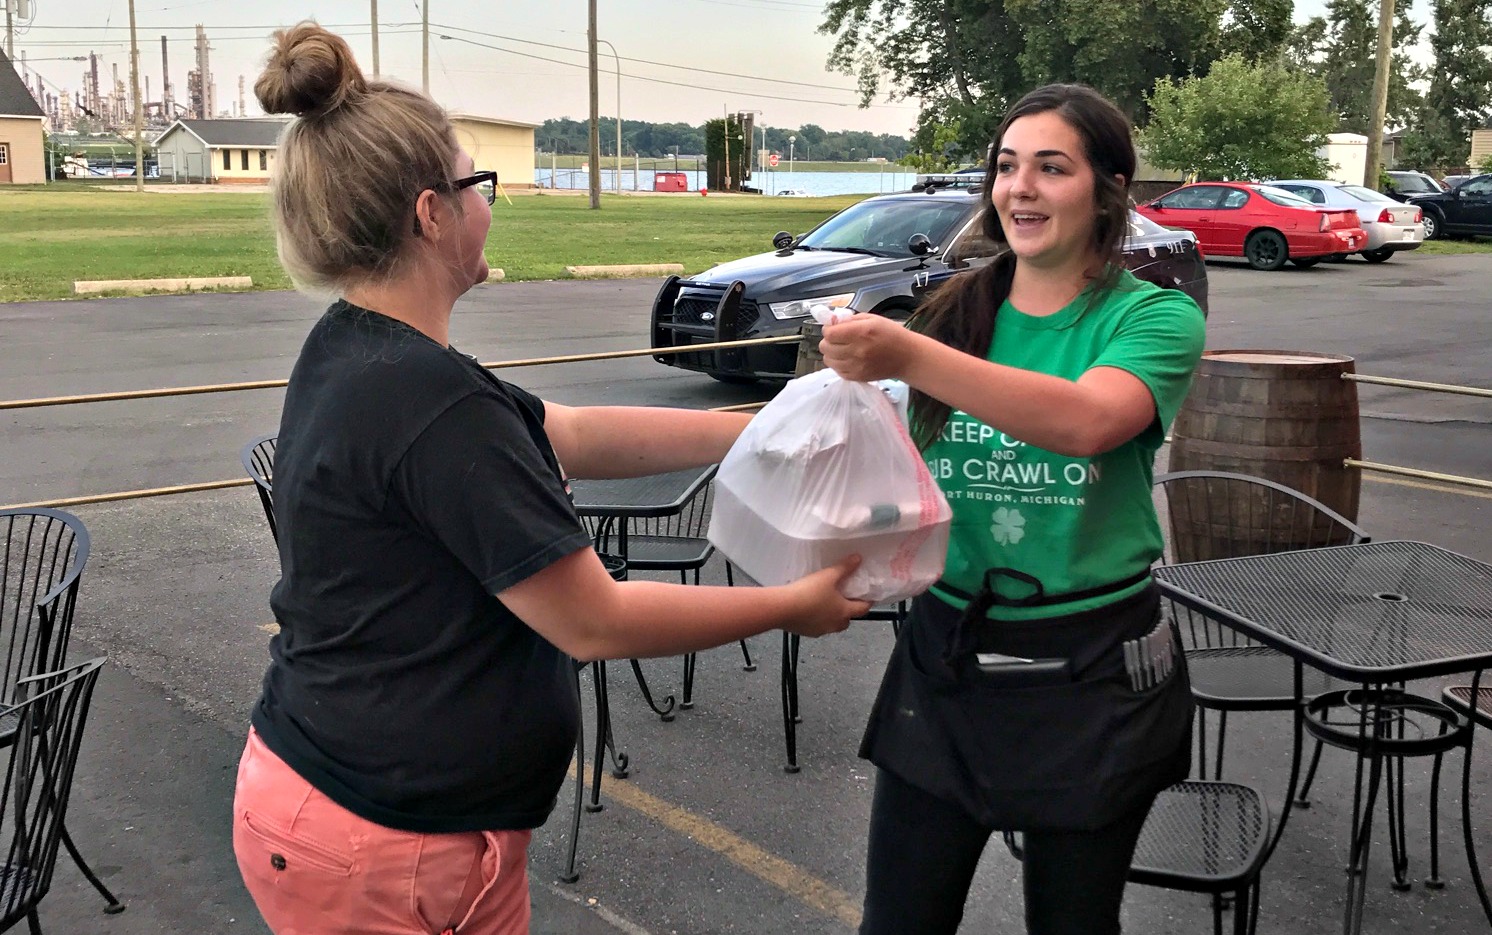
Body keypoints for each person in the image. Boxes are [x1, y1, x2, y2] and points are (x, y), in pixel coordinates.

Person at [232, 22, 870, 935]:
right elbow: (593, 618)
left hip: (341, 799)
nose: (489, 202)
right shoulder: (428, 400)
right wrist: (792, 603)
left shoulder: (364, 347)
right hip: (386, 840)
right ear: (430, 213)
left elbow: (564, 433)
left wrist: (759, 429)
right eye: (475, 184)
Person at [819, 83, 1207, 935]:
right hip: (949, 653)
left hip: (1093, 667)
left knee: (1072, 924)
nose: (1019, 187)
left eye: (1050, 167)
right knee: (898, 922)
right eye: (1006, 166)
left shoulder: (1155, 316)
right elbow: (903, 469)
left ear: (1109, 188)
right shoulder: (957, 313)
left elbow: (1087, 422)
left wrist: (906, 351)